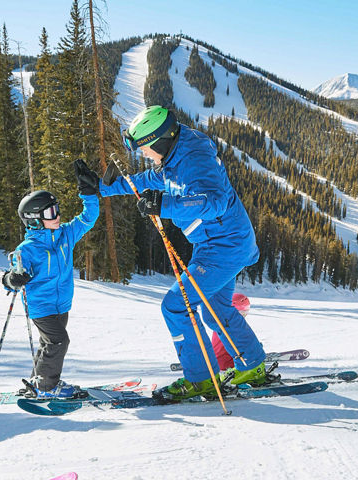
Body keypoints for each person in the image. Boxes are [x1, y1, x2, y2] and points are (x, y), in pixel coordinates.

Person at [97, 105, 268, 400]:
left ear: (161, 140)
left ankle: (201, 379)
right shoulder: (175, 154)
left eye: (147, 149)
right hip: (217, 243)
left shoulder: (195, 160)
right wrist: (102, 188)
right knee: (215, 310)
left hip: (224, 246)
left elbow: (213, 201)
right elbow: (149, 182)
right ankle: (252, 365)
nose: (145, 156)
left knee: (176, 305)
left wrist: (164, 205)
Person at [1, 160, 100, 399]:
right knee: (58, 342)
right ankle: (47, 386)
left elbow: (89, 218)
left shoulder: (65, 234)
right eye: (49, 213)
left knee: (49, 344)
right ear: (33, 219)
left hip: (62, 304)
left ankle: (38, 380)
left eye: (56, 210)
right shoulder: (28, 249)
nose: (56, 216)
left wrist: (89, 193)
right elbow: (10, 276)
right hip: (41, 307)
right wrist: (13, 279)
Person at [212, 293, 251, 372]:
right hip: (228, 365)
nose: (244, 315)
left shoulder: (223, 320)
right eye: (242, 312)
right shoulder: (231, 325)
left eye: (247, 311)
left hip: (219, 361)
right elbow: (242, 344)